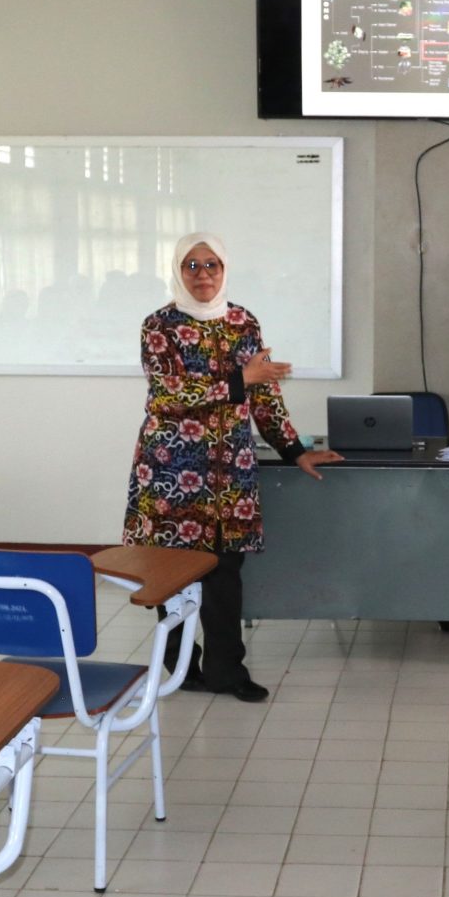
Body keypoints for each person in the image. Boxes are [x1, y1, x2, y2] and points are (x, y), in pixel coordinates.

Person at [123, 232, 341, 703]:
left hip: (229, 474)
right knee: (172, 574)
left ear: (225, 269)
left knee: (225, 576)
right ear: (179, 271)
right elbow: (168, 395)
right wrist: (240, 379)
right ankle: (181, 665)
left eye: (212, 265)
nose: (203, 275)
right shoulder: (158, 325)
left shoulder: (243, 322)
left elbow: (265, 395)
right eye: (193, 266)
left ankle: (227, 671)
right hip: (170, 471)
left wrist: (293, 449)